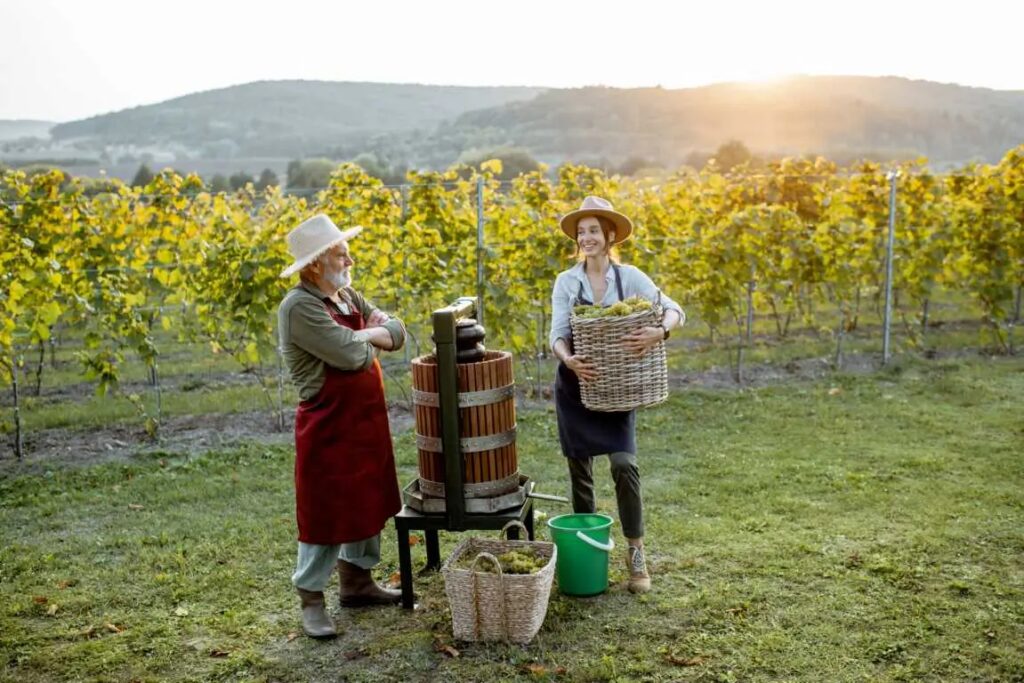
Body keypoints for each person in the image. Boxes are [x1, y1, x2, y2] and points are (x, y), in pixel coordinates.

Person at [277, 214, 407, 639]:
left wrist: (364, 335)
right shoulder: (299, 307)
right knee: (326, 511)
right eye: (339, 252)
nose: (349, 257)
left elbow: (399, 331)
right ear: (315, 264)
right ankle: (311, 597)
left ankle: (357, 583)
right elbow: (350, 357)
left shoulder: (348, 296)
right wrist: (370, 338)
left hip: (366, 423)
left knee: (368, 499)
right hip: (328, 425)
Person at [549, 196, 685, 594]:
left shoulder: (631, 278)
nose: (586, 237)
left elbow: (673, 308)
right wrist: (569, 359)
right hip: (577, 385)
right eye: (581, 232)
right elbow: (557, 333)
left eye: (593, 230)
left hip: (618, 389)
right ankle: (587, 554)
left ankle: (636, 553)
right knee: (580, 474)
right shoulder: (567, 281)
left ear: (609, 236)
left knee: (624, 464)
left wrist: (661, 331)